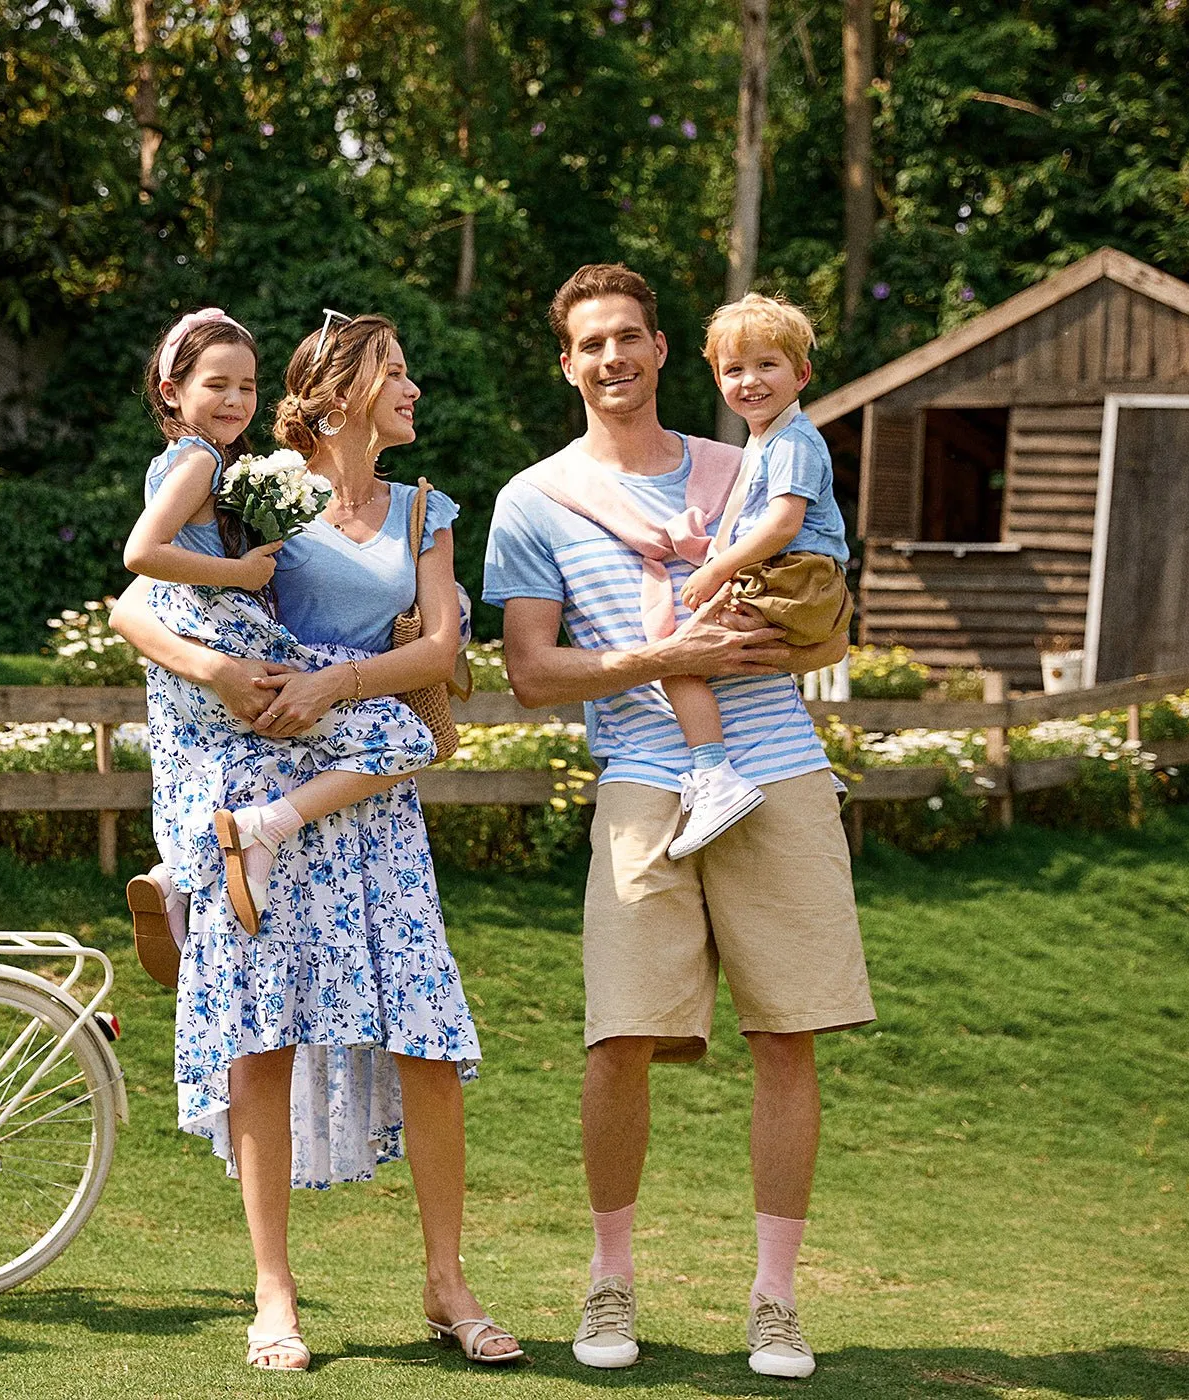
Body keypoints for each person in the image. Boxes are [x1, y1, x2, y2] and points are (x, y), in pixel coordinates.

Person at [483, 263, 875, 1379]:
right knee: (616, 1038)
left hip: (779, 770)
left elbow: (813, 610)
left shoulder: (746, 463)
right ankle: (608, 1280)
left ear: (662, 352)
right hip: (643, 779)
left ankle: (774, 1299)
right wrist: (667, 655)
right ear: (566, 363)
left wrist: (772, 625)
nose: (611, 357)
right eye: (588, 343)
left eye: (629, 338)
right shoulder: (533, 499)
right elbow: (529, 671)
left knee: (784, 1033)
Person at [111, 310, 522, 1371]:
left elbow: (436, 642)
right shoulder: (257, 487)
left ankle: (445, 1280)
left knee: (424, 1036)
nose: (416, 388)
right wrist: (209, 673)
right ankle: (274, 1295)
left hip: (370, 800)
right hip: (262, 783)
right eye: (399, 369)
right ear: (338, 390)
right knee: (260, 1038)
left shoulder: (426, 508)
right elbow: (140, 604)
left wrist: (341, 677)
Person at [122, 307, 437, 969]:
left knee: (233, 765)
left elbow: (439, 646)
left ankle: (179, 878)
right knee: (403, 736)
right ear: (170, 391)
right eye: (218, 385)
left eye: (247, 385)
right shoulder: (219, 468)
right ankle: (244, 841)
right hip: (226, 645)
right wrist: (235, 591)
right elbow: (137, 573)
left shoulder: (215, 470)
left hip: (210, 649)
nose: (237, 400)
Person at [659, 292, 854, 859]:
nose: (750, 380)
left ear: (802, 374)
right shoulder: (768, 438)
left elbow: (782, 524)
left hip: (795, 576)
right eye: (733, 368)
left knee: (677, 659)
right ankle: (807, 774)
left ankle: (715, 777)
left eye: (767, 365)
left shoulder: (792, 441)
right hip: (794, 575)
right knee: (732, 658)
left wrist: (718, 567)